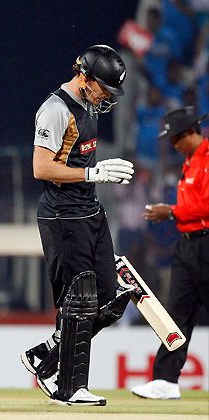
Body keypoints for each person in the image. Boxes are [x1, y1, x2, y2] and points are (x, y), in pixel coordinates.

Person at [22, 45, 137, 406]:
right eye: (104, 87)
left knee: (110, 299)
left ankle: (48, 352)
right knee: (80, 301)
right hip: (62, 216)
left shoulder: (89, 103)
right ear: (84, 77)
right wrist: (93, 172)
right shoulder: (55, 109)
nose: (107, 96)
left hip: (89, 209)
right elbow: (41, 168)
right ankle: (69, 388)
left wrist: (94, 180)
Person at [132, 106, 209, 400]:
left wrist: (171, 211)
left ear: (191, 132)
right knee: (174, 315)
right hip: (188, 245)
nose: (173, 144)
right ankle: (165, 380)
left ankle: (166, 379)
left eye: (176, 138)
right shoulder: (190, 161)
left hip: (206, 244)